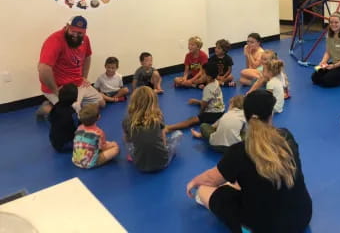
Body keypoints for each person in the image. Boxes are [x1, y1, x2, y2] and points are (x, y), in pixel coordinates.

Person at [186, 90, 312, 233]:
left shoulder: (239, 152)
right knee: (243, 181)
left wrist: (194, 182)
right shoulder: (286, 137)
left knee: (204, 190)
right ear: (271, 114)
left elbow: (210, 179)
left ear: (245, 117)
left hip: (260, 229)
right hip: (302, 217)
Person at [37, 16, 105, 118]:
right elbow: (43, 69)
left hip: (77, 83)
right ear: (67, 27)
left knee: (101, 103)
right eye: (73, 31)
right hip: (60, 87)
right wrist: (56, 91)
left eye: (80, 33)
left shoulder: (85, 39)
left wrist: (84, 77)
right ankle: (46, 108)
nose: (76, 35)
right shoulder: (55, 40)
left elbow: (87, 56)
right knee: (71, 115)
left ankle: (63, 105)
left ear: (84, 32)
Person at [122, 87, 183, 172]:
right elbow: (163, 139)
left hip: (140, 165)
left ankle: (134, 155)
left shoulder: (127, 121)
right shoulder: (157, 118)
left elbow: (127, 140)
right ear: (153, 102)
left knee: (127, 141)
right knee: (178, 134)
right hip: (162, 163)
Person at [166, 63, 225, 132]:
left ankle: (169, 128)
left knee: (191, 120)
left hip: (214, 114)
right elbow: (210, 99)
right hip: (221, 108)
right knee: (206, 101)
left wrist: (200, 114)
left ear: (208, 77)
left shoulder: (208, 89)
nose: (200, 76)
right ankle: (197, 102)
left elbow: (204, 106)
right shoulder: (216, 82)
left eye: (202, 74)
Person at [311, 12, 340, 87]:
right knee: (315, 78)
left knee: (326, 81)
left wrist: (334, 66)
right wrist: (323, 62)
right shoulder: (330, 34)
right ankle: (335, 74)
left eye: (336, 22)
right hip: (335, 63)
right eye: (331, 22)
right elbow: (328, 52)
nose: (333, 24)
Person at [72, 104, 119, 169]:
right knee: (116, 149)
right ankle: (94, 160)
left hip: (76, 160)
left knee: (103, 143)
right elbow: (103, 148)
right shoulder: (99, 132)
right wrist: (113, 144)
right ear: (98, 117)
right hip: (89, 163)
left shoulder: (79, 128)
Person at [48, 84, 78, 152]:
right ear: (75, 99)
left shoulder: (56, 106)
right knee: (91, 141)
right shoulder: (71, 113)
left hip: (54, 141)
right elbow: (77, 128)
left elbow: (50, 119)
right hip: (65, 145)